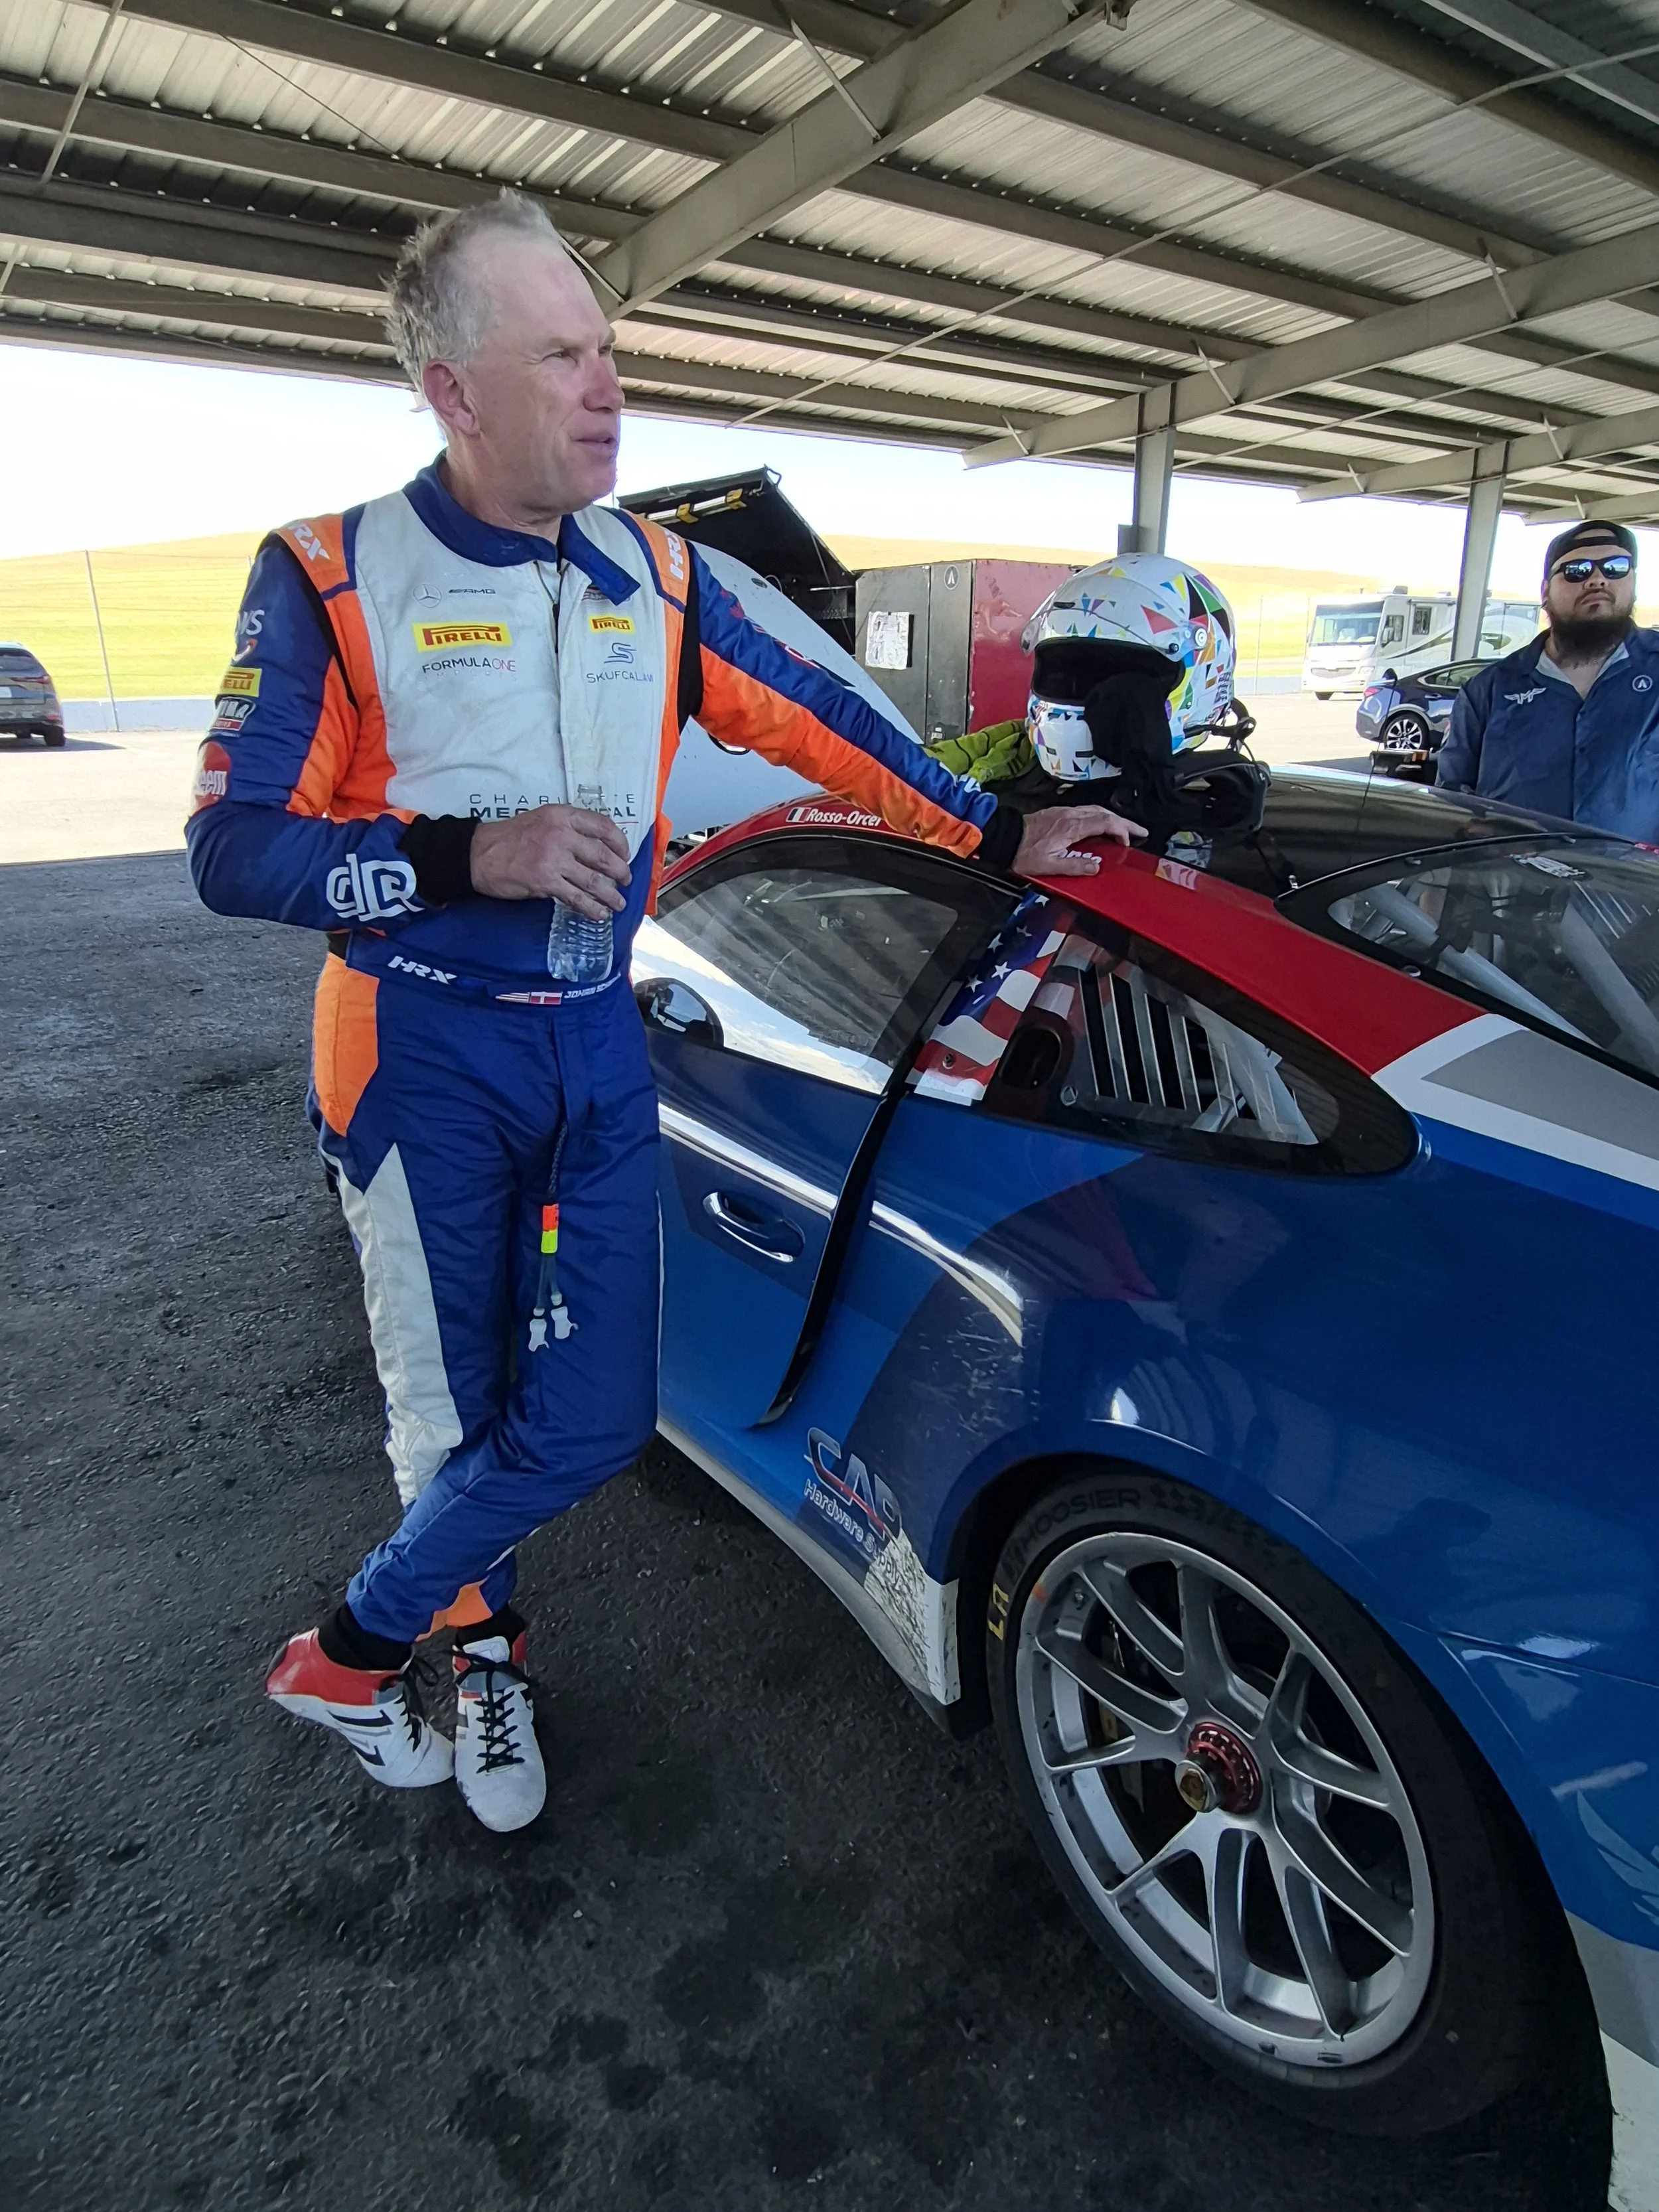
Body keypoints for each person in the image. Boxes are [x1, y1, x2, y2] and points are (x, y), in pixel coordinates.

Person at [186, 190, 1141, 1834]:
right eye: (560, 355)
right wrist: (461, 854)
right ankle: (480, 1663)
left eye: (610, 349)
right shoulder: (331, 576)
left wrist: (992, 830)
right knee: (452, 1405)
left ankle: (342, 1654)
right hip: (411, 1047)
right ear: (455, 389)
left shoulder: (663, 573)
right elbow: (230, 850)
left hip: (590, 1042)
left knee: (596, 1415)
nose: (607, 386)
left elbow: (834, 724)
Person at [1437, 520, 1659, 835]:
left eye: (1615, 567)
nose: (1597, 579)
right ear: (1545, 592)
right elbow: (1451, 800)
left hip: (1634, 883)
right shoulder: (1487, 690)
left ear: (1633, 581)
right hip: (1516, 881)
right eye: (1577, 570)